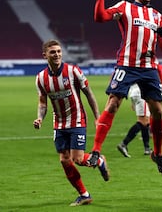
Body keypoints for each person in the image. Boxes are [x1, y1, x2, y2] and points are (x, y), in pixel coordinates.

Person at [88, 0, 162, 175]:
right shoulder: (124, 7)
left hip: (149, 67)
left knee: (157, 112)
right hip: (126, 64)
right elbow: (100, 17)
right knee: (113, 103)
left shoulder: (158, 16)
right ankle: (96, 150)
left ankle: (157, 154)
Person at [33, 39, 109, 207]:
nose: (57, 54)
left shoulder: (73, 71)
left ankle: (99, 161)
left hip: (77, 120)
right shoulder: (40, 78)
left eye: (59, 51)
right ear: (45, 55)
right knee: (64, 160)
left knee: (79, 159)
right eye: (53, 52)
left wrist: (98, 117)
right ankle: (84, 194)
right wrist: (40, 118)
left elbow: (89, 93)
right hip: (58, 123)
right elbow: (43, 103)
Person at [117, 65, 162, 158]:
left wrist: (132, 101)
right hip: (142, 93)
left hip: (134, 92)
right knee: (143, 122)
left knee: (146, 121)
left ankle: (147, 148)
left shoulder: (134, 63)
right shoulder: (147, 64)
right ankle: (124, 144)